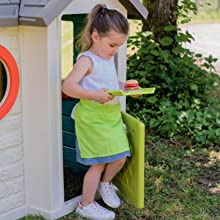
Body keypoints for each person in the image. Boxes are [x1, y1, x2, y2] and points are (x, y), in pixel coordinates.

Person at [62, 4, 130, 220]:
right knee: (98, 163)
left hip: (109, 117)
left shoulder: (107, 58)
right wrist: (94, 96)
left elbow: (107, 83)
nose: (115, 50)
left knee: (120, 157)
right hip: (92, 118)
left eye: (119, 45)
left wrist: (124, 87)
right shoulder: (87, 60)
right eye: (112, 44)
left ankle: (105, 184)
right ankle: (86, 204)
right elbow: (68, 86)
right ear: (95, 36)